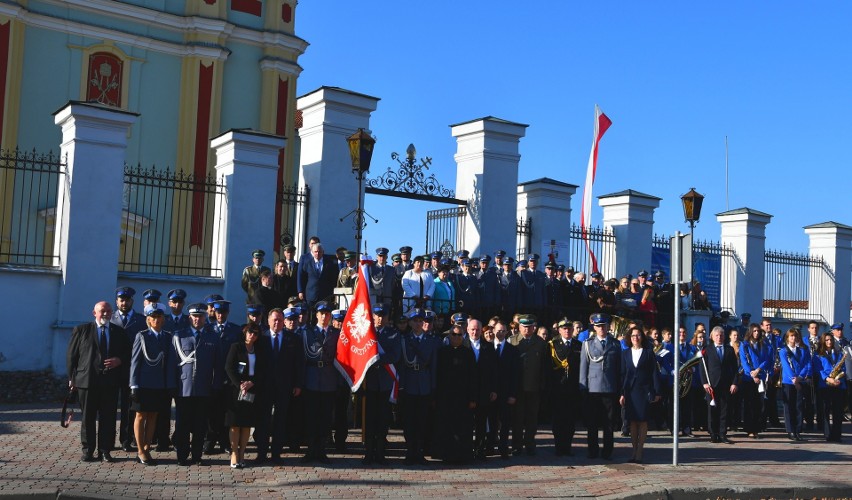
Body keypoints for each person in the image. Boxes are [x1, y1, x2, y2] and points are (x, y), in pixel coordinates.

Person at [67, 301, 131, 462]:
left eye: (109, 311)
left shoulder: (118, 332)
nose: (106, 314)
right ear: (94, 313)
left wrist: (119, 360)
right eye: (102, 311)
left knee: (108, 418)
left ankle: (105, 450)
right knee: (87, 418)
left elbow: (128, 353)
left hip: (110, 382)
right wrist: (72, 378)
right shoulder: (82, 330)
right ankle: (88, 450)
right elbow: (71, 356)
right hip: (87, 382)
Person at [253, 307, 304, 464]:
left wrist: (298, 384)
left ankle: (276, 454)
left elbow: (299, 364)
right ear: (268, 321)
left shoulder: (293, 339)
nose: (277, 322)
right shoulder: (261, 338)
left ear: (284, 322)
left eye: (280, 320)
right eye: (274, 319)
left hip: (284, 386)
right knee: (263, 421)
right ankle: (261, 453)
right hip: (264, 387)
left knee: (280, 421)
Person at [172, 303, 220, 466]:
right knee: (182, 424)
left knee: (200, 425)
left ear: (206, 317)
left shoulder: (212, 336)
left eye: (200, 316)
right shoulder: (179, 335)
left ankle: (197, 456)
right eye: (194, 316)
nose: (197, 319)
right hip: (183, 388)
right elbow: (174, 363)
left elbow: (217, 364)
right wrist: (173, 386)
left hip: (204, 388)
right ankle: (182, 455)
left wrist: (216, 385)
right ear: (189, 317)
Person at [129, 305, 177, 466]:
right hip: (143, 383)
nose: (156, 320)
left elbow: (170, 364)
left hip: (159, 384)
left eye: (159, 317)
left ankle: (147, 447)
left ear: (163, 319)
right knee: (141, 415)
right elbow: (135, 362)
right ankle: (140, 450)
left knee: (153, 416)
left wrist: (169, 384)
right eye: (153, 317)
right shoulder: (141, 336)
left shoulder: (168, 337)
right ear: (148, 319)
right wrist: (133, 385)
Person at [300, 301, 340, 464]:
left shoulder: (335, 333)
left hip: (328, 378)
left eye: (327, 314)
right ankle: (311, 449)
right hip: (311, 377)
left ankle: (322, 450)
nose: (324, 316)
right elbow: (302, 357)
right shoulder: (307, 332)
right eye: (321, 313)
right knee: (311, 416)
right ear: (316, 315)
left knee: (325, 417)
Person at [399, 308, 440, 465]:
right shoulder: (405, 339)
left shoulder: (431, 341)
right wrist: (401, 386)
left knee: (422, 421)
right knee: (409, 421)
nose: (417, 323)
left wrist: (433, 387)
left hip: (424, 383)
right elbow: (402, 365)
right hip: (409, 383)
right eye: (414, 320)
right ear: (409, 322)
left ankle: (419, 451)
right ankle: (410, 451)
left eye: (419, 320)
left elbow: (434, 366)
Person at [433, 320, 477, 463]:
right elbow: (437, 376)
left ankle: (463, 455)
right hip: (445, 397)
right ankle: (446, 454)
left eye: (459, 335)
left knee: (463, 427)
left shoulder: (468, 354)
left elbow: (473, 377)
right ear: (449, 335)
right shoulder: (442, 353)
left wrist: (472, 398)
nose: (456, 337)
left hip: (463, 398)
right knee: (446, 427)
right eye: (454, 334)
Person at [362, 303, 401, 465]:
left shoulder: (393, 335)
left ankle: (380, 454)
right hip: (369, 383)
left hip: (385, 383)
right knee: (370, 420)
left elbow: (395, 356)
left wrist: (376, 359)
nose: (379, 319)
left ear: (387, 318)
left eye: (382, 316)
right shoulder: (366, 334)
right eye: (376, 316)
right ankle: (368, 453)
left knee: (382, 421)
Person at [579, 313, 621, 460]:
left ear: (608, 327)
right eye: (598, 326)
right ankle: (592, 450)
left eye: (603, 326)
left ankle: (607, 451)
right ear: (594, 328)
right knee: (592, 424)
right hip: (593, 389)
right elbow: (584, 367)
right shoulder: (588, 343)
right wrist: (583, 386)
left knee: (609, 424)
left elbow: (619, 368)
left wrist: (619, 389)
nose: (601, 328)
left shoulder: (615, 344)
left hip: (610, 388)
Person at [224, 323, 266, 468]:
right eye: (250, 332)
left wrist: (251, 383)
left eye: (255, 333)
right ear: (244, 332)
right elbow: (229, 367)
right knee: (235, 423)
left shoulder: (259, 350)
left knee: (246, 423)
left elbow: (262, 370)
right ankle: (234, 453)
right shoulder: (236, 347)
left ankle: (242, 453)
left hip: (252, 389)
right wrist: (239, 384)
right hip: (237, 390)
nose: (252, 335)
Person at [204, 300, 241, 455]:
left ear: (227, 313)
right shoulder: (207, 329)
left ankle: (226, 442)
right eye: (218, 312)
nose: (220, 315)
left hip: (229, 378)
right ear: (214, 313)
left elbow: (239, 355)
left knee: (227, 411)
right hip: (212, 377)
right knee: (212, 412)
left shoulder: (235, 330)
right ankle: (210, 441)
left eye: (223, 312)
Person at [110, 286, 145, 452]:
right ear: (117, 301)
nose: (124, 303)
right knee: (109, 407)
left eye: (127, 300)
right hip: (112, 369)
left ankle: (126, 439)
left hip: (131, 370)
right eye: (121, 300)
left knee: (129, 407)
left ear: (132, 301)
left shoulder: (141, 320)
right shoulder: (110, 318)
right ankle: (108, 440)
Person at [620, 327, 661, 462]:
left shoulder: (649, 353)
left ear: (642, 337)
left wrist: (657, 391)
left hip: (644, 390)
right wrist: (622, 393)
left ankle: (639, 451)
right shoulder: (625, 353)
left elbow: (654, 373)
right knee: (632, 420)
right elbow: (623, 374)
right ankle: (633, 450)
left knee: (642, 420)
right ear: (629, 338)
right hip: (630, 391)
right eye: (633, 335)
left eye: (638, 335)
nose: (635, 338)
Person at [512, 314, 550, 456]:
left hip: (534, 387)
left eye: (529, 327)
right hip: (517, 387)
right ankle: (516, 445)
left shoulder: (541, 343)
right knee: (517, 418)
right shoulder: (513, 341)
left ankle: (530, 444)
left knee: (532, 418)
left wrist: (542, 385)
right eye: (524, 327)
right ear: (519, 327)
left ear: (534, 328)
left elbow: (544, 367)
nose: (526, 329)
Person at [462, 318, 497, 460]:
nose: (475, 332)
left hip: (483, 392)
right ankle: (466, 449)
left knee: (482, 424)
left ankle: (480, 450)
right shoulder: (462, 345)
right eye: (472, 329)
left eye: (477, 329)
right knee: (466, 423)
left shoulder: (488, 347)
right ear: (467, 330)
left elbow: (495, 371)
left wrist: (494, 390)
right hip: (466, 392)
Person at [700, 326, 739, 445]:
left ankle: (722, 433)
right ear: (712, 336)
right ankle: (713, 434)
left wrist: (734, 383)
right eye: (717, 335)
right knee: (712, 410)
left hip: (725, 384)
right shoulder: (707, 349)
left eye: (721, 335)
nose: (719, 338)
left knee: (724, 410)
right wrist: (705, 382)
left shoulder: (729, 350)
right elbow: (702, 367)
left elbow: (735, 369)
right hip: (711, 384)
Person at [549, 318, 582, 456]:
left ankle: (567, 446)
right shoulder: (553, 345)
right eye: (564, 329)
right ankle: (558, 447)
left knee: (570, 419)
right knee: (558, 419)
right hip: (558, 388)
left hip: (573, 388)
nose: (567, 331)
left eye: (569, 328)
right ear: (559, 330)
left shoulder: (578, 345)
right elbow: (548, 367)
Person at [488, 319, 518, 459]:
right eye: (498, 330)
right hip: (491, 393)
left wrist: (513, 394)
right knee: (492, 421)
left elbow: (515, 374)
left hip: (506, 393)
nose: (500, 333)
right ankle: (489, 447)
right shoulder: (487, 348)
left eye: (503, 331)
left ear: (507, 332)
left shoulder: (512, 350)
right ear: (493, 331)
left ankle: (503, 448)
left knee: (505, 423)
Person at [739, 323, 772, 439]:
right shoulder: (744, 345)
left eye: (758, 331)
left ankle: (757, 428)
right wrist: (752, 374)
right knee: (749, 404)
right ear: (750, 332)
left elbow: (767, 359)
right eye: (754, 331)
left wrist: (758, 370)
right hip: (749, 378)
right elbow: (744, 361)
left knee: (759, 405)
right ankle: (749, 429)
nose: (757, 333)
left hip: (760, 376)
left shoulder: (763, 344)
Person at [778, 328, 810, 442]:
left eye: (795, 336)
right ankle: (790, 430)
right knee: (789, 406)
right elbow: (786, 366)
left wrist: (800, 377)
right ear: (787, 337)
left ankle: (798, 430)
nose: (794, 338)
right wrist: (794, 379)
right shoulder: (783, 351)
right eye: (791, 336)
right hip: (788, 382)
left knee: (799, 406)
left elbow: (807, 364)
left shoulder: (803, 350)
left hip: (800, 380)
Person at [815, 333, 846, 442]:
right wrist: (828, 379)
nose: (829, 342)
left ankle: (837, 435)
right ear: (823, 341)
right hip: (825, 385)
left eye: (831, 340)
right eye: (827, 340)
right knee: (826, 410)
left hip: (838, 384)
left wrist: (837, 379)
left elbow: (843, 368)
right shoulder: (818, 354)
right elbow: (818, 369)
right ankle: (827, 434)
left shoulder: (838, 353)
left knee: (838, 411)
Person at [297, 242, 339, 309]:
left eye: (319, 252)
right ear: (312, 252)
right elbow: (302, 278)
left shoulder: (330, 263)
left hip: (325, 295)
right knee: (311, 316)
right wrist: (300, 291)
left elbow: (333, 278)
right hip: (311, 296)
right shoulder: (307, 263)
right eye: (315, 252)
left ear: (323, 252)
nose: (317, 253)